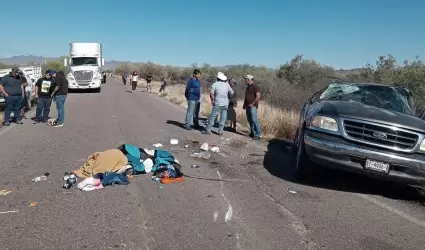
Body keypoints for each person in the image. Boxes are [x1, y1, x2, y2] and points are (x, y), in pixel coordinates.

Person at [243, 75, 261, 140]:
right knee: (250, 120)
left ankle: (257, 134)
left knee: (254, 120)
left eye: (246, 79)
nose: (245, 81)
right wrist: (244, 105)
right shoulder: (247, 87)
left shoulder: (255, 87)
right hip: (247, 106)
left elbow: (258, 96)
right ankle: (252, 133)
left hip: (253, 106)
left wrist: (252, 104)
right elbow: (246, 97)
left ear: (249, 80)